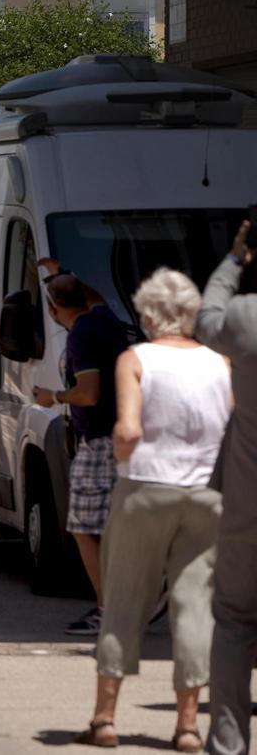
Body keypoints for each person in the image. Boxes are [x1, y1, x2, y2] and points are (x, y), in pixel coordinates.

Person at [77, 269, 230, 752]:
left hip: (145, 487)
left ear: (147, 315)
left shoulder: (135, 359)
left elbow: (126, 429)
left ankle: (104, 719)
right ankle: (187, 727)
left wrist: (126, 460)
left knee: (124, 599)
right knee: (195, 606)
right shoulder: (221, 363)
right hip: (208, 493)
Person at [32, 272, 130, 636]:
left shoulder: (81, 336)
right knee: (109, 525)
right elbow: (98, 295)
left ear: (53, 308)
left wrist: (53, 397)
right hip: (119, 436)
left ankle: (110, 607)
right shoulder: (105, 319)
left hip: (99, 439)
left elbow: (88, 393)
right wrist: (61, 275)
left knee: (83, 527)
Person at [196, 220, 257, 755]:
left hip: (248, 502)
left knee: (235, 619)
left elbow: (206, 318)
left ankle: (230, 741)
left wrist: (234, 260)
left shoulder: (246, 319)